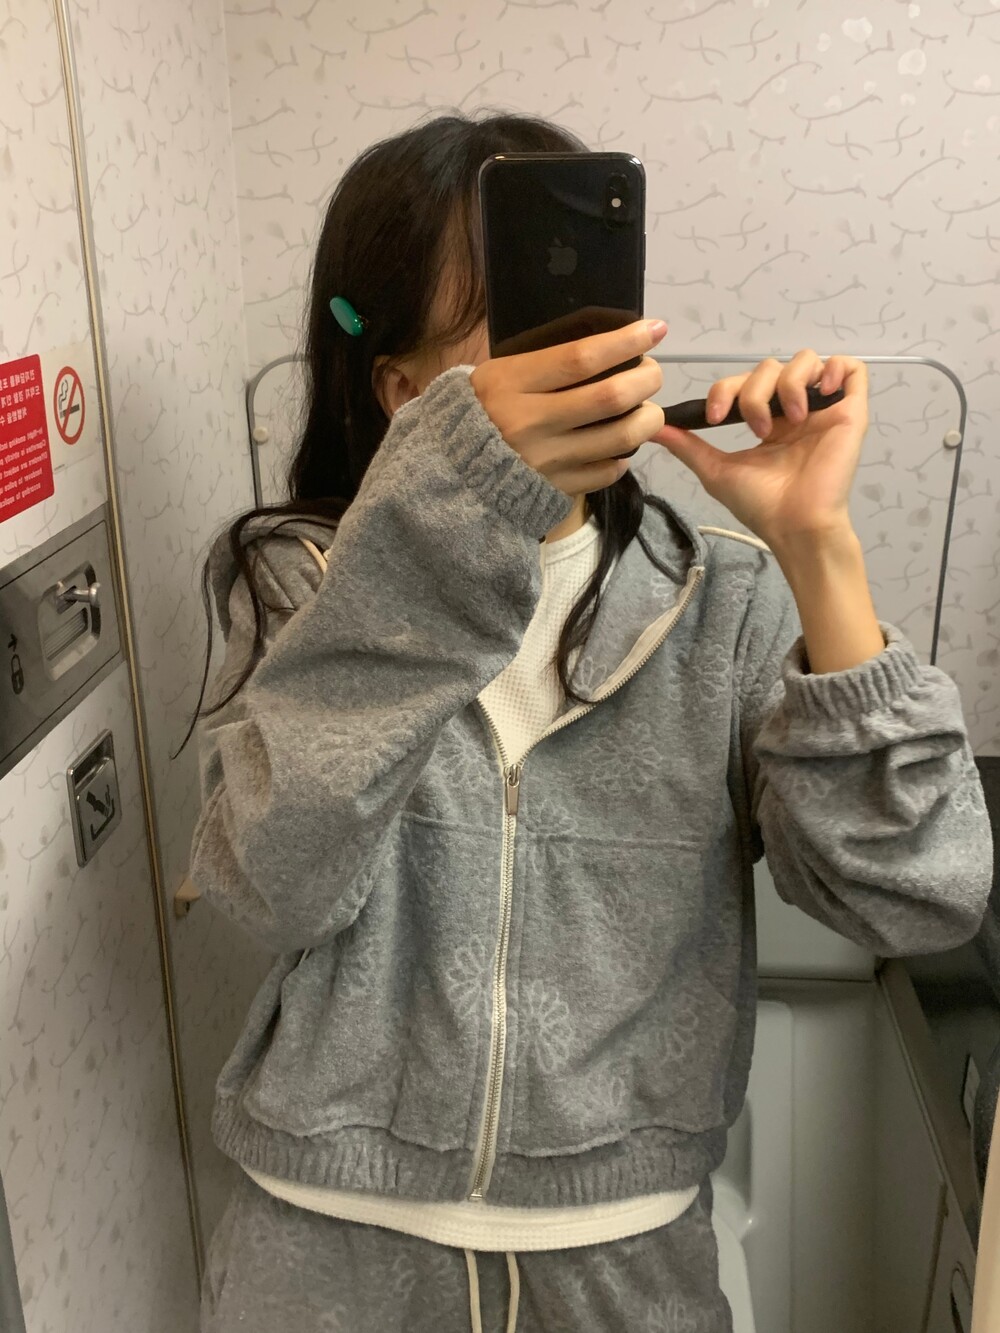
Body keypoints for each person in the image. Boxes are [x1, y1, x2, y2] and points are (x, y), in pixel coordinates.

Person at [188, 111, 992, 1333]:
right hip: (320, 1255)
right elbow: (270, 887)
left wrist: (816, 549)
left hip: (624, 1260)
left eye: (576, 315)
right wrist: (432, 538)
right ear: (402, 390)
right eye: (509, 325)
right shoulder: (308, 586)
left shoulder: (720, 601)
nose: (563, 355)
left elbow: (919, 898)